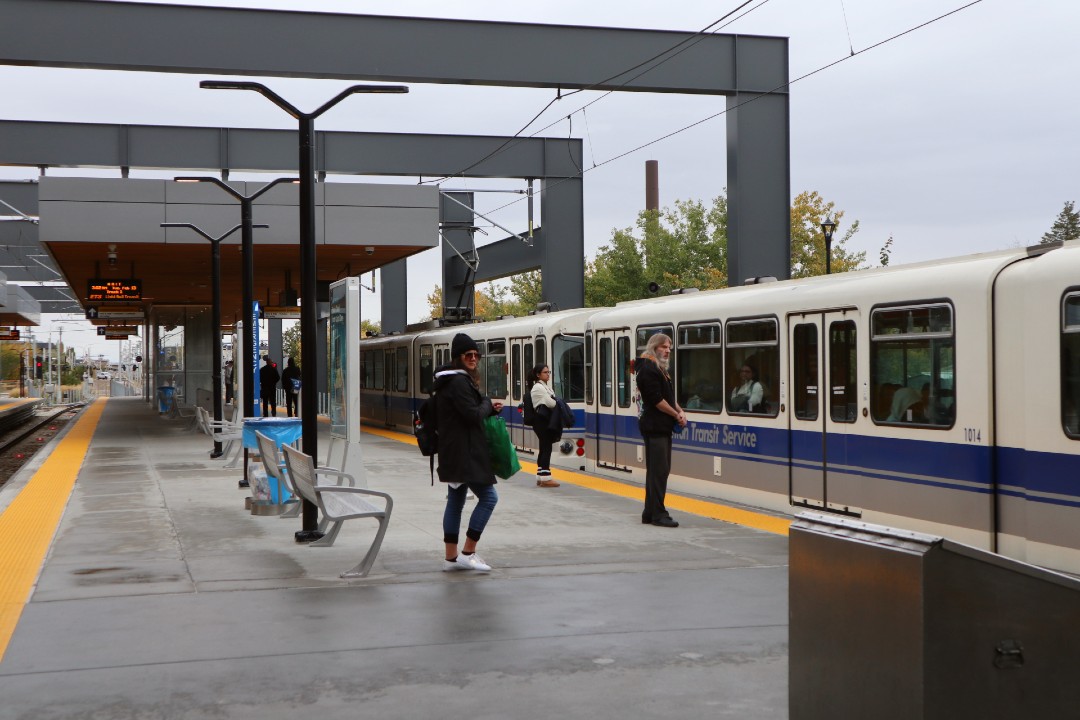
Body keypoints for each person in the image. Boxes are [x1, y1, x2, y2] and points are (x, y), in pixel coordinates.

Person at [435, 333, 505, 572]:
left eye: (476, 355)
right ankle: (468, 552)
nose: (474, 358)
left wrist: (488, 409)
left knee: (455, 501)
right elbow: (472, 414)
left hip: (454, 450)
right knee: (489, 498)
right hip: (465, 452)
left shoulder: (450, 380)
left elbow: (465, 414)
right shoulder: (458, 382)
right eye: (468, 355)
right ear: (458, 357)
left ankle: (451, 558)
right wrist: (487, 402)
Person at [635, 333, 686, 528]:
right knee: (659, 470)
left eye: (669, 347)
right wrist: (676, 415)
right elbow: (657, 400)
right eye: (664, 347)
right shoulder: (648, 369)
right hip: (654, 427)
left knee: (658, 470)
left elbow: (668, 396)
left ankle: (649, 511)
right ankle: (658, 513)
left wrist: (680, 411)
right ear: (654, 347)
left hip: (660, 427)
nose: (668, 350)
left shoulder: (659, 369)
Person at [527, 363, 560, 488]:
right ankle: (546, 478)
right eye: (545, 372)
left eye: (548, 372)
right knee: (547, 448)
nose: (548, 374)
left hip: (543, 421)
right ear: (538, 375)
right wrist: (558, 402)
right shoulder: (538, 387)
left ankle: (541, 476)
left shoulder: (544, 386)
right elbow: (551, 403)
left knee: (544, 447)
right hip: (541, 421)